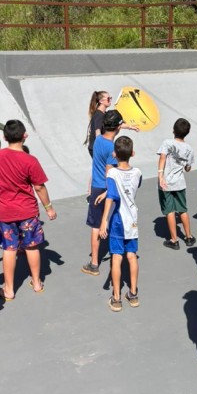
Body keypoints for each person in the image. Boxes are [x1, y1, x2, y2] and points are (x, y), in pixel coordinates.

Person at [0, 121, 57, 300]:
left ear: (4, 137)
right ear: (24, 136)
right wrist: (48, 208)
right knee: (32, 246)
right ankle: (37, 282)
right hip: (28, 211)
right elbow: (39, 187)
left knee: (9, 250)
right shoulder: (30, 160)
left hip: (5, 213)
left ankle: (9, 290)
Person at [99, 136, 142, 312]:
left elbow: (112, 197)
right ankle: (133, 293)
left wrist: (104, 222)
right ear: (132, 153)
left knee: (116, 257)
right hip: (132, 219)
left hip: (117, 220)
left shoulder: (112, 173)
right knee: (131, 255)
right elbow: (130, 189)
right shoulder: (138, 172)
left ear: (114, 154)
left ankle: (116, 297)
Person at [82, 109, 123, 276]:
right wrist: (109, 193)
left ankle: (94, 263)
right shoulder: (113, 148)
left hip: (95, 188)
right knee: (112, 222)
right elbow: (110, 173)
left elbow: (97, 130)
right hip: (106, 189)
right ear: (119, 126)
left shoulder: (98, 140)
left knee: (95, 225)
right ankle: (116, 257)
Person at [157, 118, 195, 249]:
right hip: (180, 183)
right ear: (187, 133)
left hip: (166, 182)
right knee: (182, 209)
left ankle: (174, 240)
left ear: (173, 130)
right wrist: (186, 166)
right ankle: (189, 237)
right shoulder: (189, 149)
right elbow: (187, 168)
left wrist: (160, 175)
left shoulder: (167, 143)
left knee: (170, 211)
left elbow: (162, 157)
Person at [84, 90, 138, 157]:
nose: (110, 100)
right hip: (96, 149)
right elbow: (97, 132)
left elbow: (117, 124)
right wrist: (103, 147)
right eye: (108, 99)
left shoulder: (104, 113)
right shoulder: (99, 115)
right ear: (101, 101)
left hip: (98, 147)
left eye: (110, 98)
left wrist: (130, 127)